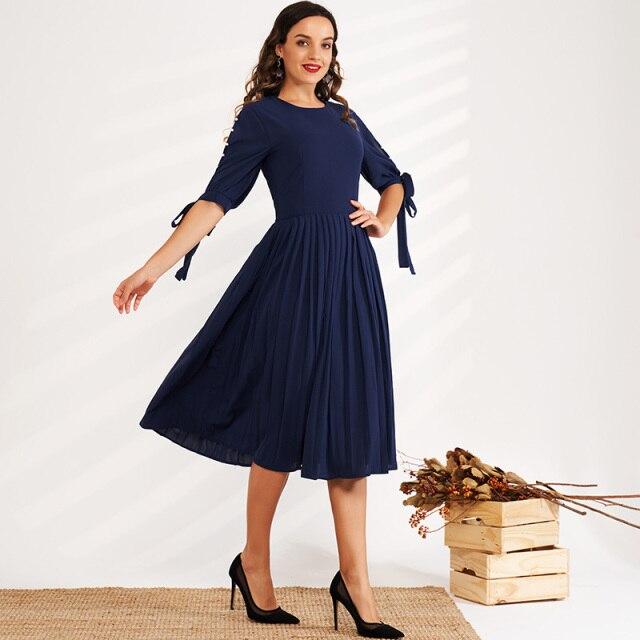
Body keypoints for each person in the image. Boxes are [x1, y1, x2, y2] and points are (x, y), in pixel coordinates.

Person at [112, 2, 416, 638]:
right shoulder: (262, 118)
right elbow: (218, 198)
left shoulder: (345, 117)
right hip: (294, 278)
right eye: (302, 41)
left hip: (351, 278)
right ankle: (254, 562)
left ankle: (356, 583)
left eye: (326, 44)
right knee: (281, 421)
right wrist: (152, 267)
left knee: (351, 426)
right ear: (279, 48)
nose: (315, 54)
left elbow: (392, 181)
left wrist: (383, 220)